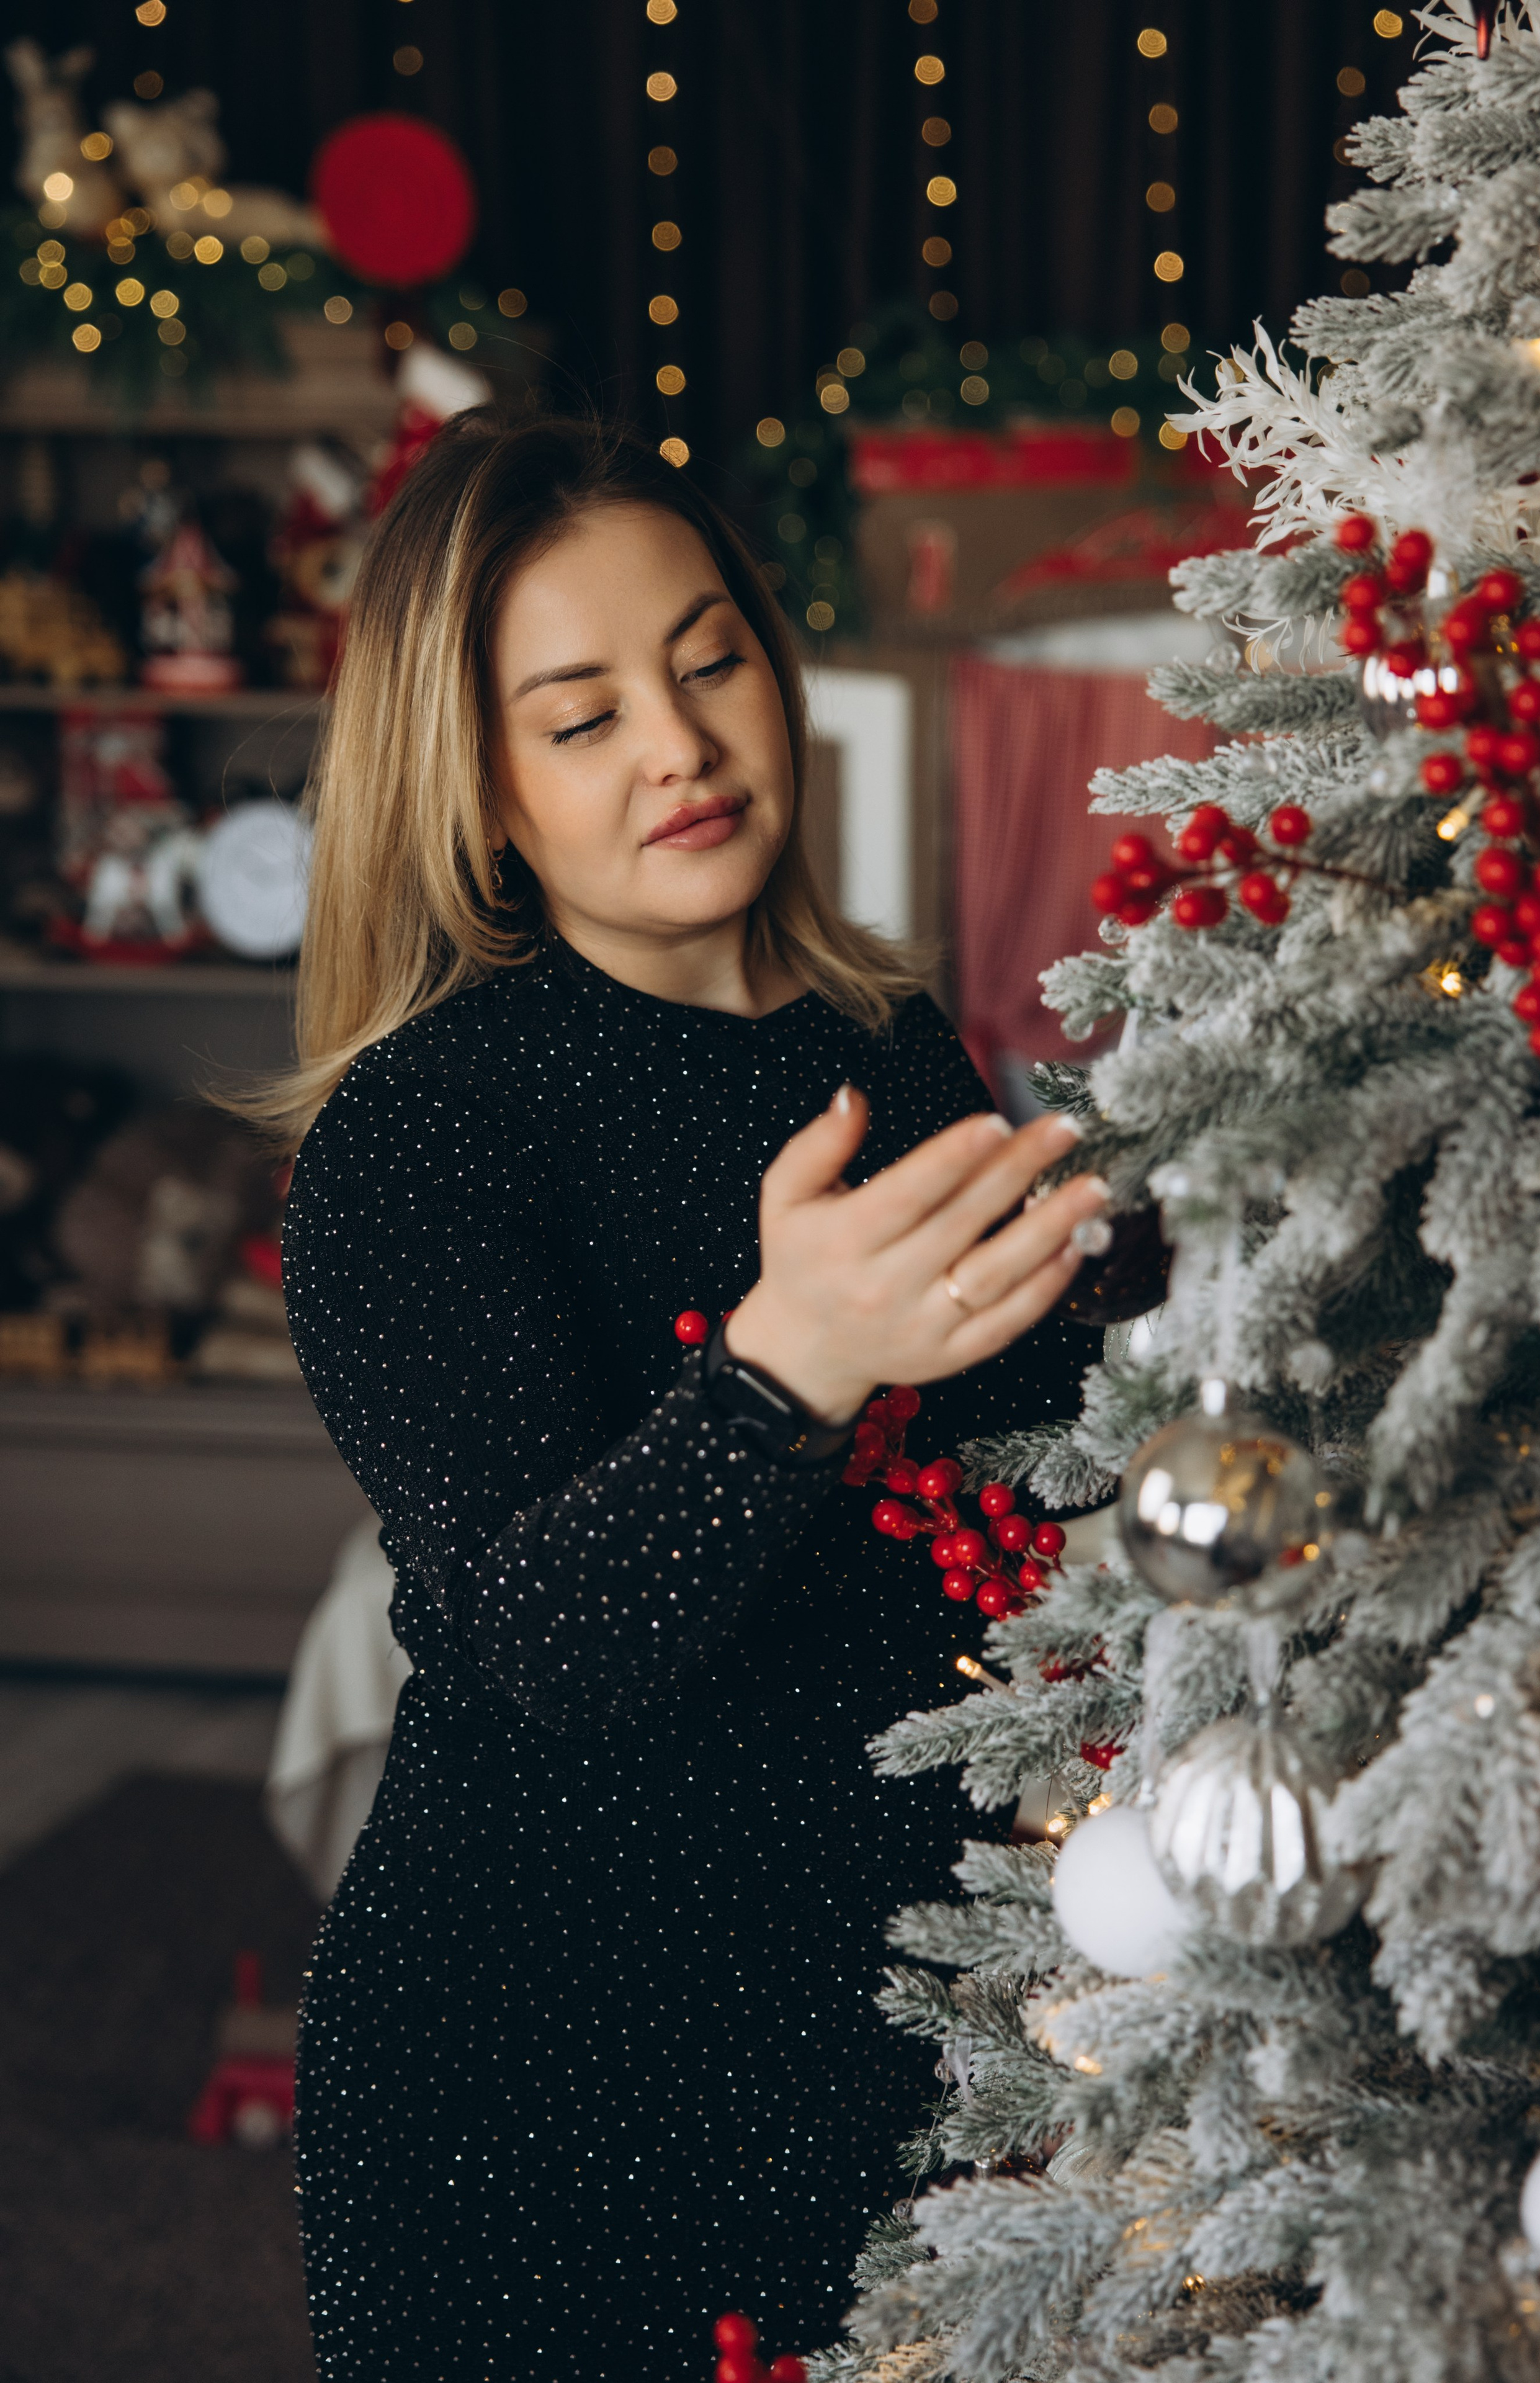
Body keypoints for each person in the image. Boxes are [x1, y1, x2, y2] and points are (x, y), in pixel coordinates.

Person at [271, 412, 1108, 2380]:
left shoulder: (884, 1041)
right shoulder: (421, 1141)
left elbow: (1030, 1460)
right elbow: (533, 1646)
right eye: (580, 715)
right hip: (548, 2093)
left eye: (708, 655)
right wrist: (782, 1368)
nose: (679, 740)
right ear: (479, 795)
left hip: (895, 2033)